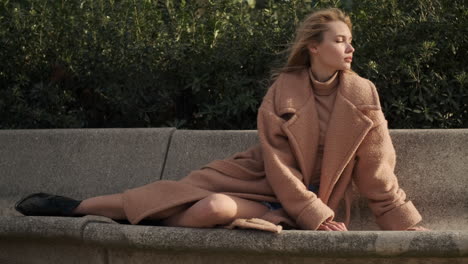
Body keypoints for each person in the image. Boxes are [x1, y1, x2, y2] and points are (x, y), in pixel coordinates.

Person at [15, 8, 427, 232]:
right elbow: (278, 165)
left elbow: (377, 172)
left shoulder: (362, 95)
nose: (349, 48)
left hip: (307, 204)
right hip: (257, 181)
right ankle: (74, 208)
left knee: (210, 209)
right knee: (184, 193)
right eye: (340, 40)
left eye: (350, 41)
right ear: (314, 48)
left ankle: (117, 216)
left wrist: (406, 225)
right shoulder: (283, 90)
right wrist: (314, 216)